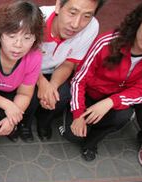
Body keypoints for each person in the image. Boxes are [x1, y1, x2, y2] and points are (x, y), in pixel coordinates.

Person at [62, 0, 142, 162]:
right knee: (72, 136)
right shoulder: (107, 43)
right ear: (139, 20)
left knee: (123, 115)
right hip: (89, 95)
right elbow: (79, 79)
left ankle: (92, 142)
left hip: (115, 102)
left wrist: (110, 102)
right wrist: (78, 114)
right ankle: (72, 116)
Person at [29, 0, 105, 142]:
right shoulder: (35, 19)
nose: (76, 24)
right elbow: (22, 57)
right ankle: (24, 124)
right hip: (29, 68)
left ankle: (44, 120)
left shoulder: (92, 26)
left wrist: (52, 86)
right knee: (30, 95)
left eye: (87, 16)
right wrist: (41, 82)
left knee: (62, 94)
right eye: (72, 13)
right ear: (58, 5)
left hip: (57, 69)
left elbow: (69, 62)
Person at [0, 0, 44, 140]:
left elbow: (25, 94)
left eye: (27, 38)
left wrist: (12, 119)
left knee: (31, 101)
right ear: (0, 34)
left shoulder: (35, 56)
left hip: (10, 91)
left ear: (35, 39)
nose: (18, 45)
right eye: (12, 36)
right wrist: (8, 105)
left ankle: (15, 126)